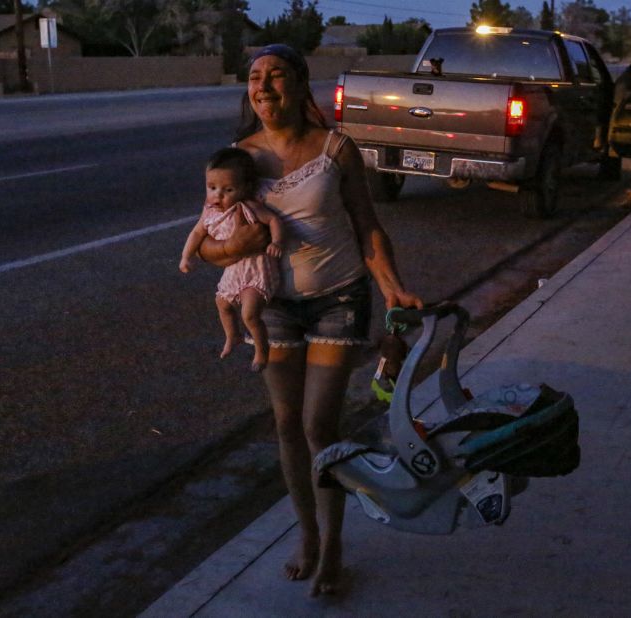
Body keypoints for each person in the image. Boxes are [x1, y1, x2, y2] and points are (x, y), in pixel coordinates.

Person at [197, 44, 423, 597]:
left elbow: (367, 225)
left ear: (300, 86)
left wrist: (392, 288)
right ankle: (307, 537)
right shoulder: (238, 157)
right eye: (255, 78)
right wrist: (233, 251)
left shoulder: (335, 148)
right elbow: (208, 240)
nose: (264, 87)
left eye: (276, 76)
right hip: (272, 303)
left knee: (319, 426)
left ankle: (335, 545)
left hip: (338, 298)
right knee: (284, 425)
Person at [181, 147, 285, 372]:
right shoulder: (209, 211)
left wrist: (276, 242)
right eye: (212, 188)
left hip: (256, 271)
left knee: (249, 313)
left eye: (227, 189)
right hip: (234, 270)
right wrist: (186, 257)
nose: (218, 196)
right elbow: (197, 233)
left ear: (246, 189)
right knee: (221, 303)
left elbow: (274, 220)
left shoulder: (248, 207)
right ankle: (233, 335)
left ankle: (261, 349)